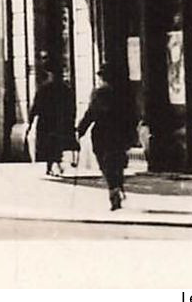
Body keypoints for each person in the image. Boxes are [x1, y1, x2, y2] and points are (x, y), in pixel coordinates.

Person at [76, 66, 138, 211]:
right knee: (117, 162)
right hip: (119, 133)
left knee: (105, 164)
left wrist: (81, 130)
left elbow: (91, 113)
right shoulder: (125, 94)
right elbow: (132, 114)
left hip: (102, 134)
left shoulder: (100, 93)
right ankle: (117, 186)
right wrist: (131, 133)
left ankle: (113, 189)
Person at [28, 66, 78, 178]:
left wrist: (31, 121)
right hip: (54, 122)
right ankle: (53, 165)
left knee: (52, 144)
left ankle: (53, 165)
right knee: (54, 144)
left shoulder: (45, 89)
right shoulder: (65, 89)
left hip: (50, 122)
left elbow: (35, 107)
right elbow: (72, 107)